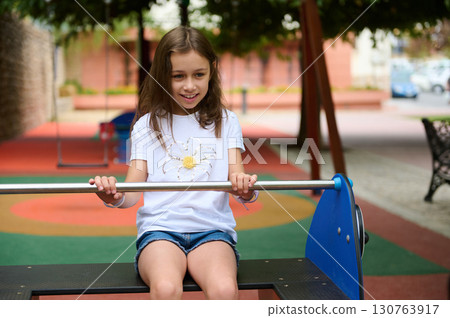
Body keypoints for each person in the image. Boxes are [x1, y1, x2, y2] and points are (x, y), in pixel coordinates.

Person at [90, 26, 258, 300]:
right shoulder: (147, 125)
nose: (189, 85)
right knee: (166, 288)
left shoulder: (226, 122)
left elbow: (240, 182)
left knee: (225, 290)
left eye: (198, 75)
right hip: (161, 232)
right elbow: (130, 194)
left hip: (212, 231)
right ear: (161, 77)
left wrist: (245, 189)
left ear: (212, 71)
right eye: (178, 76)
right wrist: (113, 195)